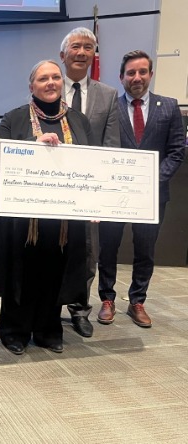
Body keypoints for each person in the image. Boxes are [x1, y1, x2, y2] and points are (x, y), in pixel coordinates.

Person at [0, 60, 94, 355]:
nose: (51, 83)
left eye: (56, 77)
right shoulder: (14, 118)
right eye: (43, 78)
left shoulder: (79, 121)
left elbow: (93, 164)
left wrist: (95, 203)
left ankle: (48, 329)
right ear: (31, 86)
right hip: (23, 220)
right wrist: (35, 146)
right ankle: (14, 331)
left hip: (63, 220)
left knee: (54, 271)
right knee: (21, 273)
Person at [97, 50, 185, 328]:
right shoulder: (111, 107)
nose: (137, 78)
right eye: (131, 73)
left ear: (150, 74)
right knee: (108, 247)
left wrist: (152, 180)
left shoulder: (169, 107)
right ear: (121, 77)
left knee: (145, 249)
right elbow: (102, 149)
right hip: (115, 193)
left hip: (152, 195)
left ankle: (137, 301)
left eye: (142, 72)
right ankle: (107, 299)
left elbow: (176, 151)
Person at [59, 27, 120, 338]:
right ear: (63, 55)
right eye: (75, 47)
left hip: (90, 188)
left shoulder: (107, 95)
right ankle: (48, 307)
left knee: (87, 251)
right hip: (54, 184)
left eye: (87, 47)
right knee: (51, 247)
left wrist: (101, 192)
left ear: (94, 54)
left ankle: (80, 309)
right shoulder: (50, 85)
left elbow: (111, 145)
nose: (81, 52)